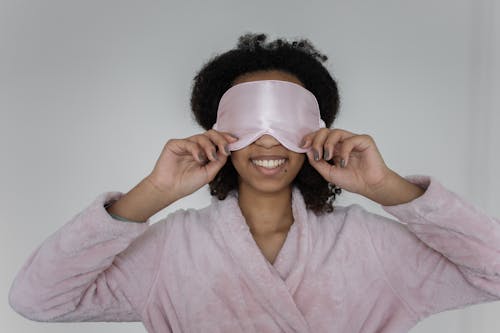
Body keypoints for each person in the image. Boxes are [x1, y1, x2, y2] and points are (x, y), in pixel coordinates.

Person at [8, 33, 500, 333]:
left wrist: (388, 187)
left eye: (286, 124)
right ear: (221, 135)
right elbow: (37, 300)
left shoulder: (368, 245)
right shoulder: (171, 249)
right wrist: (153, 193)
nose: (268, 142)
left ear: (317, 133)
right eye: (249, 125)